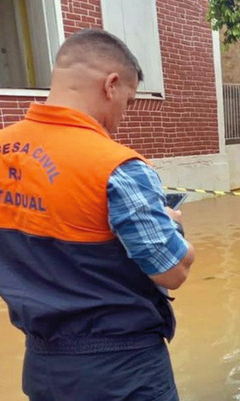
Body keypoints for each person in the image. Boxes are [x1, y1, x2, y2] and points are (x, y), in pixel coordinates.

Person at [0, 29, 195, 400]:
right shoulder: (116, 166)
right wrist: (173, 226)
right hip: (123, 371)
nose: (123, 116)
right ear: (111, 85)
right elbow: (172, 271)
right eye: (130, 100)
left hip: (43, 369)